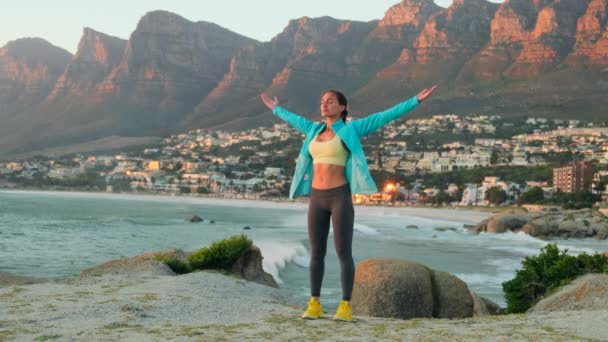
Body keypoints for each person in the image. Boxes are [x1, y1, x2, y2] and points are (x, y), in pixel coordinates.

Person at [260, 86, 436, 321]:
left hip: (339, 196)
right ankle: (314, 303)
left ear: (342, 107)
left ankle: (345, 305)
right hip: (316, 197)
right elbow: (294, 119)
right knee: (316, 253)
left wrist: (415, 100)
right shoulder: (313, 129)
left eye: (330, 101)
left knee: (344, 252)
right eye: (323, 101)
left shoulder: (351, 129)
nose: (324, 104)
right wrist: (276, 109)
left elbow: (383, 116)